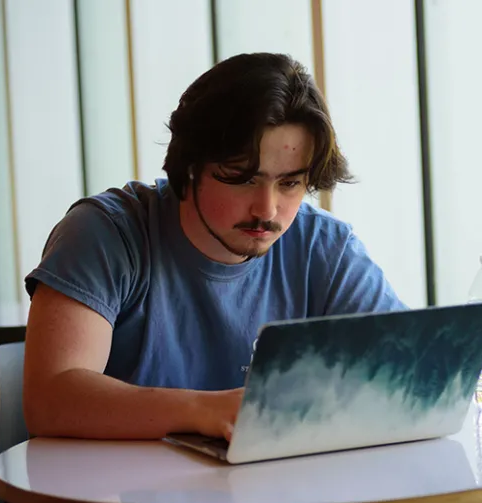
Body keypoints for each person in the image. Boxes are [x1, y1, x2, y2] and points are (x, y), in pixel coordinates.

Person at [22, 53, 406, 442]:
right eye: (242, 179)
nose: (267, 209)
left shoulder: (326, 249)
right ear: (189, 167)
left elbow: (415, 374)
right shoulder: (106, 233)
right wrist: (207, 410)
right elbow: (51, 400)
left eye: (289, 184)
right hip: (119, 496)